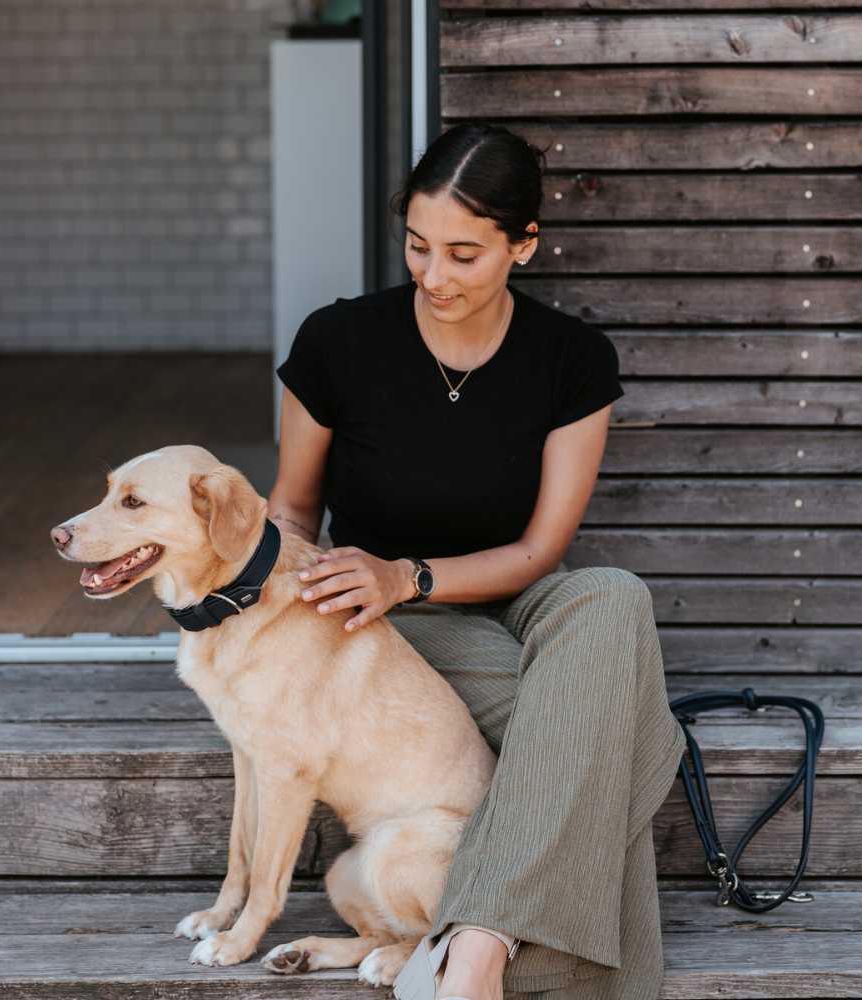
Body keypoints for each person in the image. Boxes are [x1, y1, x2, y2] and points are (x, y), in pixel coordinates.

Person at [268, 122, 686, 1000]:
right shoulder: (338, 343)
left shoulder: (572, 360)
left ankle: (475, 939)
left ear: (523, 244)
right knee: (611, 727)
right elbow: (293, 511)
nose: (434, 275)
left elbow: (540, 551)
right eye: (418, 245)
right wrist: (280, 615)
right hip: (386, 623)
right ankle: (494, 960)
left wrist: (409, 572)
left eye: (464, 254)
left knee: (612, 596)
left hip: (507, 598)